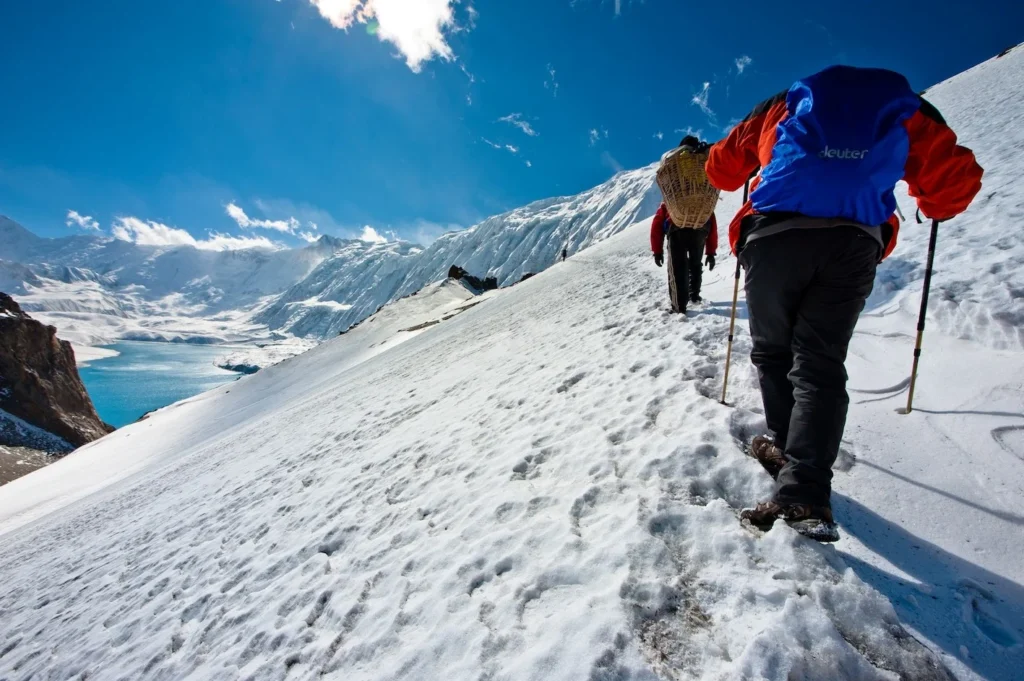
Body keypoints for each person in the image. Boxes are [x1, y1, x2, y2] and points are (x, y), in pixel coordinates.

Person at [705, 65, 983, 541]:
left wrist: (763, 156)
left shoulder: (781, 104)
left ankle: (786, 450)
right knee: (819, 363)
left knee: (773, 351)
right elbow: (953, 183)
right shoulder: (908, 109)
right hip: (854, 245)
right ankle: (806, 491)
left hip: (774, 237)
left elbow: (722, 171)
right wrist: (931, 204)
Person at [652, 136, 719, 313]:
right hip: (700, 227)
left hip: (677, 226)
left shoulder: (674, 195)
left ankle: (679, 306)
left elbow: (657, 223)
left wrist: (657, 250)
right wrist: (711, 252)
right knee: (695, 265)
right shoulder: (702, 178)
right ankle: (694, 296)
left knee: (677, 267)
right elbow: (712, 221)